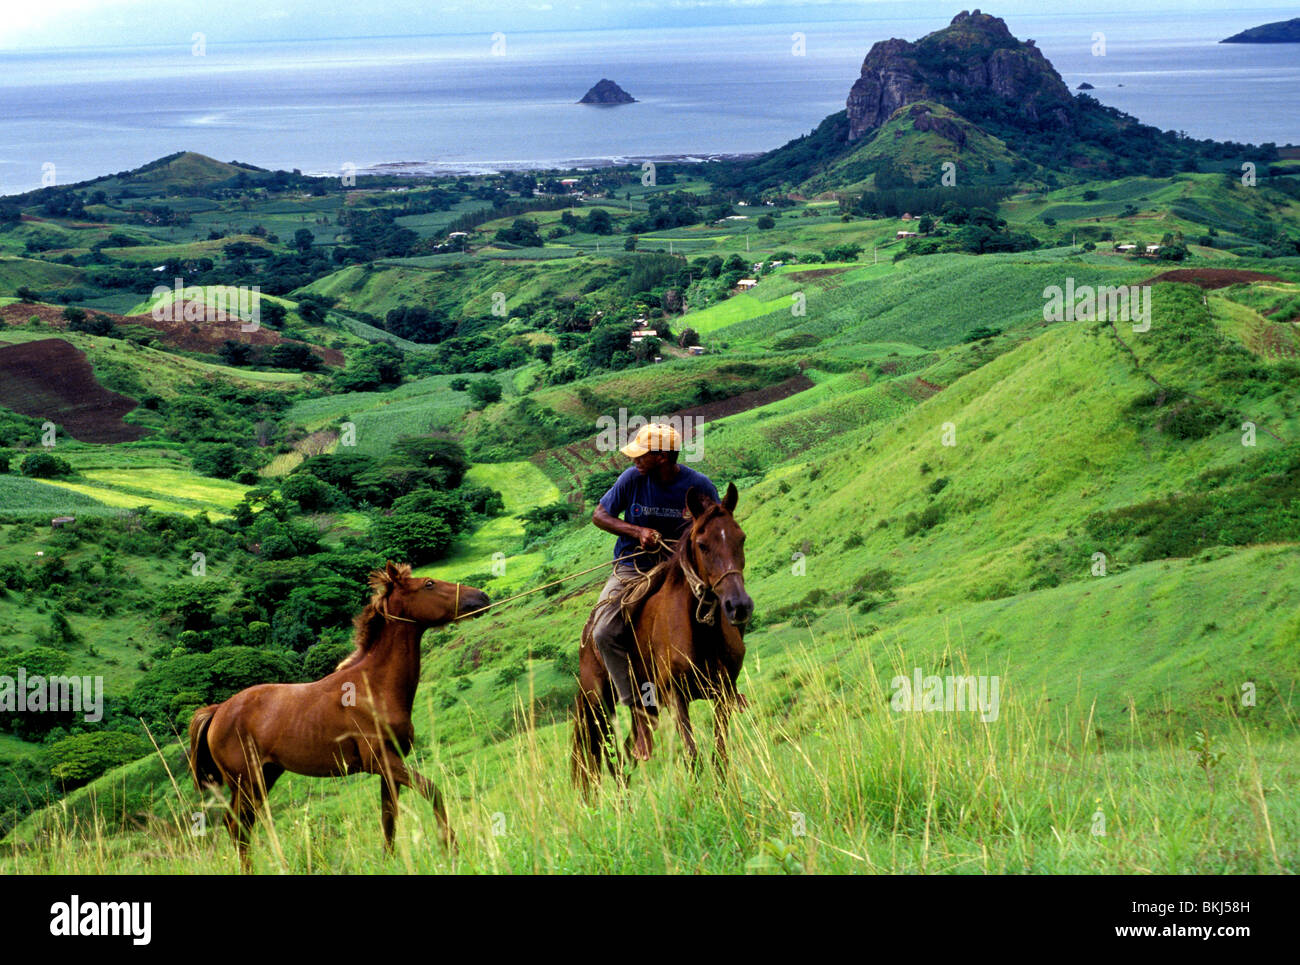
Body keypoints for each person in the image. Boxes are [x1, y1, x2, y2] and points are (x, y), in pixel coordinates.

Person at [590, 422, 720, 760]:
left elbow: (715, 527)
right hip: (633, 566)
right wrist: (636, 531)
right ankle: (641, 712)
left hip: (681, 570)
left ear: (661, 457)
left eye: (641, 454)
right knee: (604, 630)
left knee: (724, 605)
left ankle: (727, 681)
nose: (635, 459)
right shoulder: (632, 479)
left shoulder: (699, 485)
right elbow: (600, 515)